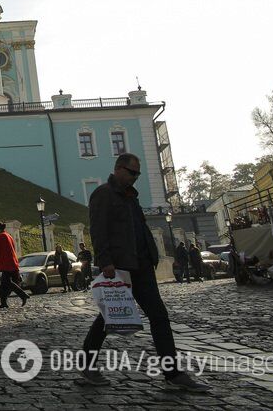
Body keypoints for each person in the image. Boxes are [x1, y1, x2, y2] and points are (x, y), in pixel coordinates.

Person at [77, 154, 208, 392]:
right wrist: (105, 260)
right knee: (108, 316)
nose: (135, 177)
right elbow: (98, 229)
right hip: (120, 266)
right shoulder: (104, 194)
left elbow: (139, 228)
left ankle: (173, 373)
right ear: (118, 169)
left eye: (137, 174)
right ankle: (87, 364)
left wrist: (151, 254)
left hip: (142, 264)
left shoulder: (130, 196)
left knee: (159, 316)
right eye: (131, 172)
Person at [0, 221, 28, 309]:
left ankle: (23, 295)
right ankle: (4, 303)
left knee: (7, 282)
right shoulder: (9, 236)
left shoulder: (0, 236)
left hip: (6, 264)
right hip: (12, 263)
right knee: (4, 285)